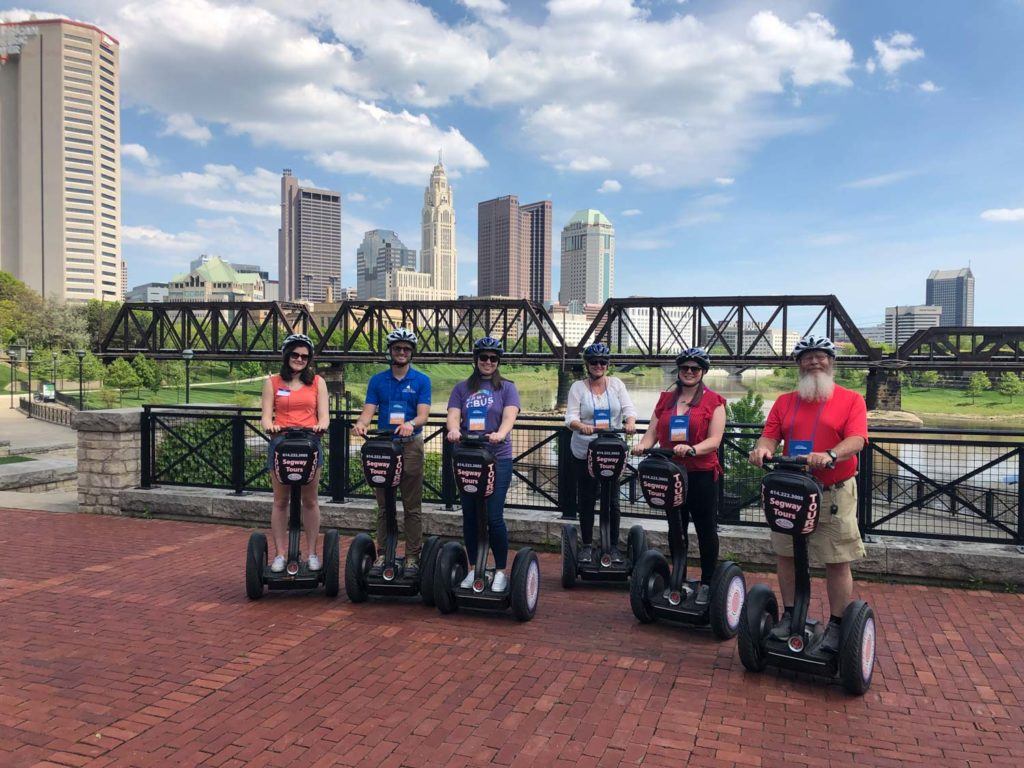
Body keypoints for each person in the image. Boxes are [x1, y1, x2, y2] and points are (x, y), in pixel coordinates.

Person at [748, 334, 868, 654]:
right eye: (807, 357)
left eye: (821, 356)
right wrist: (761, 449)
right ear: (799, 365)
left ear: (831, 362)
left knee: (836, 559)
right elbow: (770, 436)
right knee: (786, 555)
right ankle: (791, 615)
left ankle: (838, 624)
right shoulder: (786, 401)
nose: (814, 361)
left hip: (833, 492)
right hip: (792, 492)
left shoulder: (851, 399)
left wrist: (830, 454)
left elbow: (857, 440)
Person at [632, 347, 726, 605]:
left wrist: (694, 449)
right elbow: (652, 431)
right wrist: (643, 445)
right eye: (685, 368)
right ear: (679, 370)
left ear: (702, 372)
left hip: (701, 474)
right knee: (676, 527)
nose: (689, 372)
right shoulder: (665, 399)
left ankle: (707, 582)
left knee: (706, 529)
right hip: (670, 473)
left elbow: (715, 439)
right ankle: (679, 579)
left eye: (695, 368)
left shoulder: (713, 401)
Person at [352, 328, 431, 576]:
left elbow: (423, 415)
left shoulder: (421, 381)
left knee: (411, 505)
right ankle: (384, 552)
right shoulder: (377, 380)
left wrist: (411, 424)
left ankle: (412, 556)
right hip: (384, 447)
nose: (401, 352)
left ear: (411, 353)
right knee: (385, 505)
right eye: (397, 348)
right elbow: (368, 410)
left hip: (410, 446)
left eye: (406, 349)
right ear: (390, 351)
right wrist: (362, 424)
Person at [446, 337, 521, 592]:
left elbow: (510, 416)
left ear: (498, 361)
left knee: (493, 516)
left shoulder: (507, 388)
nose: (488, 362)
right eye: (483, 357)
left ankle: (499, 570)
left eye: (493, 358)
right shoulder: (462, 388)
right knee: (470, 515)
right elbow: (453, 416)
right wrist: (454, 430)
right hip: (468, 457)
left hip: (497, 458)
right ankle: (472, 567)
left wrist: (501, 432)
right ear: (476, 360)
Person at [261, 333, 330, 573]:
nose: (299, 359)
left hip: (309, 443)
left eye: (304, 356)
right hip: (281, 444)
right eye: (295, 354)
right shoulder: (273, 383)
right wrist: (270, 425)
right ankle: (280, 554)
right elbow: (265, 415)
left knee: (310, 501)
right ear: (286, 355)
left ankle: (311, 553)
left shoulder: (317, 382)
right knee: (280, 501)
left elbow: (324, 415)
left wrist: (322, 425)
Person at [565, 342, 637, 564]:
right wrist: (580, 426)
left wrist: (631, 422)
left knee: (612, 501)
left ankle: (612, 545)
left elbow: (628, 409)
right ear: (587, 364)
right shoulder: (578, 387)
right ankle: (587, 544)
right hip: (584, 451)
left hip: (610, 450)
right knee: (586, 499)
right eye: (594, 362)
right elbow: (570, 418)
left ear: (608, 364)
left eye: (603, 362)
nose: (599, 365)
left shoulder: (616, 384)